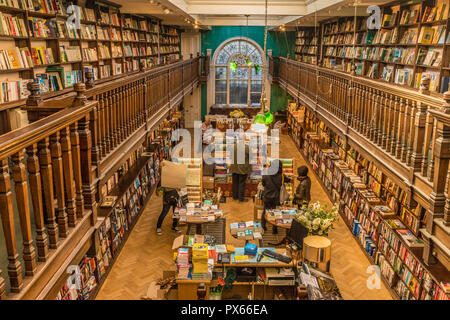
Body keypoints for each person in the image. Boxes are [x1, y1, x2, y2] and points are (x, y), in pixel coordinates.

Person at [261, 159, 291, 234]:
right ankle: (275, 229)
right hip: (277, 198)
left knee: (265, 211)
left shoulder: (266, 174)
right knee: (276, 213)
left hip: (267, 196)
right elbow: (288, 180)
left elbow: (263, 184)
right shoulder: (282, 176)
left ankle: (263, 227)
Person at [229, 133, 252, 202]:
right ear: (244, 139)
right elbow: (251, 157)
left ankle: (235, 197)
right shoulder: (247, 147)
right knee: (242, 183)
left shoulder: (233, 146)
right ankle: (241, 198)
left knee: (235, 182)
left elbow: (230, 156)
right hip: (243, 168)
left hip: (234, 167)